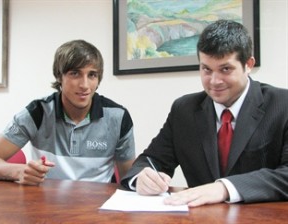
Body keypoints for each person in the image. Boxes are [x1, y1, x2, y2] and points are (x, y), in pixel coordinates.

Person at [121, 20, 288, 207]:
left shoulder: (282, 105)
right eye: (206, 69)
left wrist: (225, 188)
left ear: (248, 64)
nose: (215, 81)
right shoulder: (184, 110)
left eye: (225, 69)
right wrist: (142, 177)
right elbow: (150, 160)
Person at [0, 40, 135, 185]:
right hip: (46, 204)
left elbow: (128, 180)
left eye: (92, 75)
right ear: (59, 76)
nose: (84, 85)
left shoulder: (118, 117)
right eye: (75, 73)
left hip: (98, 205)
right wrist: (18, 171)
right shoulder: (37, 112)